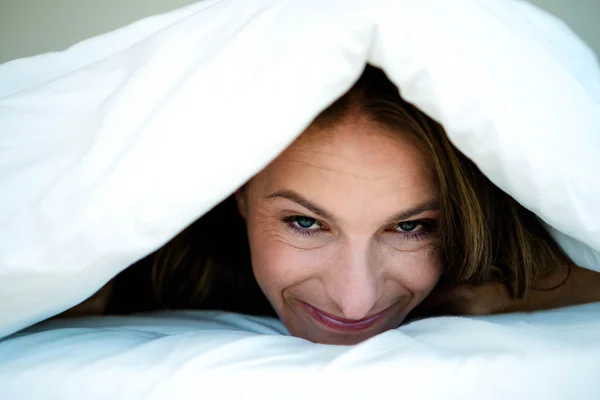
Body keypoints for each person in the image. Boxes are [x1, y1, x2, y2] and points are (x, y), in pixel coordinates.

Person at [63, 65, 600, 345]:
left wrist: (503, 297)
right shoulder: (118, 262)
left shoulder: (504, 262)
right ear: (239, 189)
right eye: (305, 222)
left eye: (411, 226)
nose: (355, 302)